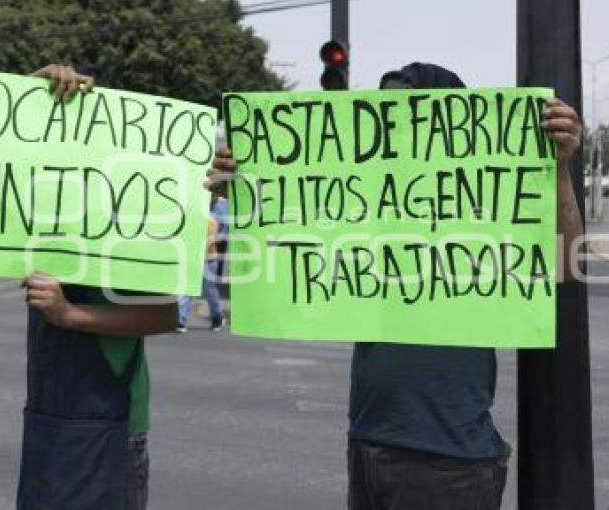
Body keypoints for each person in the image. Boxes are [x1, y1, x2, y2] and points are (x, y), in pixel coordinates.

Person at [208, 62, 584, 510]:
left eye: (406, 116)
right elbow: (297, 226)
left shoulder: (484, 216)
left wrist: (558, 171)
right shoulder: (373, 212)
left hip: (448, 461)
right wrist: (247, 191)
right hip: (369, 443)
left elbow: (564, 263)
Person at [17, 65, 178, 510]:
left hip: (110, 427)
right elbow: (3, 146)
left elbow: (165, 314)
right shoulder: (45, 211)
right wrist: (36, 83)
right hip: (46, 418)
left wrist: (69, 314)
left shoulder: (138, 218)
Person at [177, 204, 225, 332]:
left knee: (210, 291)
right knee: (187, 290)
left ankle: (217, 318)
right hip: (194, 260)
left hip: (208, 261)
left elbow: (209, 241)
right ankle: (181, 321)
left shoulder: (211, 221)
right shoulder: (190, 221)